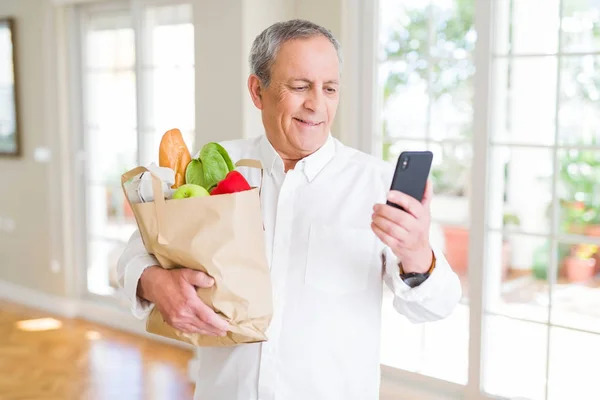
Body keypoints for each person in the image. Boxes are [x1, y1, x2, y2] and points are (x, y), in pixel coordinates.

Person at [117, 19, 462, 400]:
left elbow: (437, 307)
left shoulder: (376, 185)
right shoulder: (212, 165)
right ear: (257, 90)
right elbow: (133, 256)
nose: (316, 104)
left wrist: (416, 254)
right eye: (299, 87)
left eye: (329, 88)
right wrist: (154, 282)